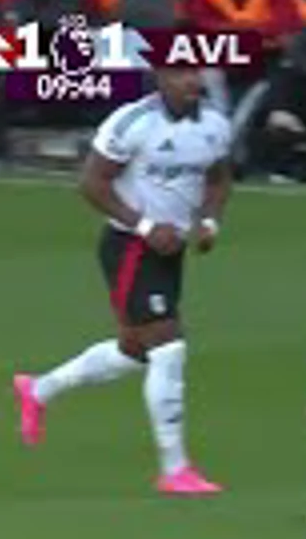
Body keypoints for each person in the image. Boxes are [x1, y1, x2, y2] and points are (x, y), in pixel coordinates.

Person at [12, 63, 233, 494]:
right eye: (181, 73)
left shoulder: (214, 125)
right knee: (168, 347)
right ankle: (175, 469)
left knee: (135, 351)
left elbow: (219, 179)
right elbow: (92, 183)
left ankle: (38, 390)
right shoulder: (132, 122)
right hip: (131, 247)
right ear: (162, 78)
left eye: (197, 73)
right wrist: (147, 227)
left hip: (172, 251)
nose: (192, 82)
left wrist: (209, 223)